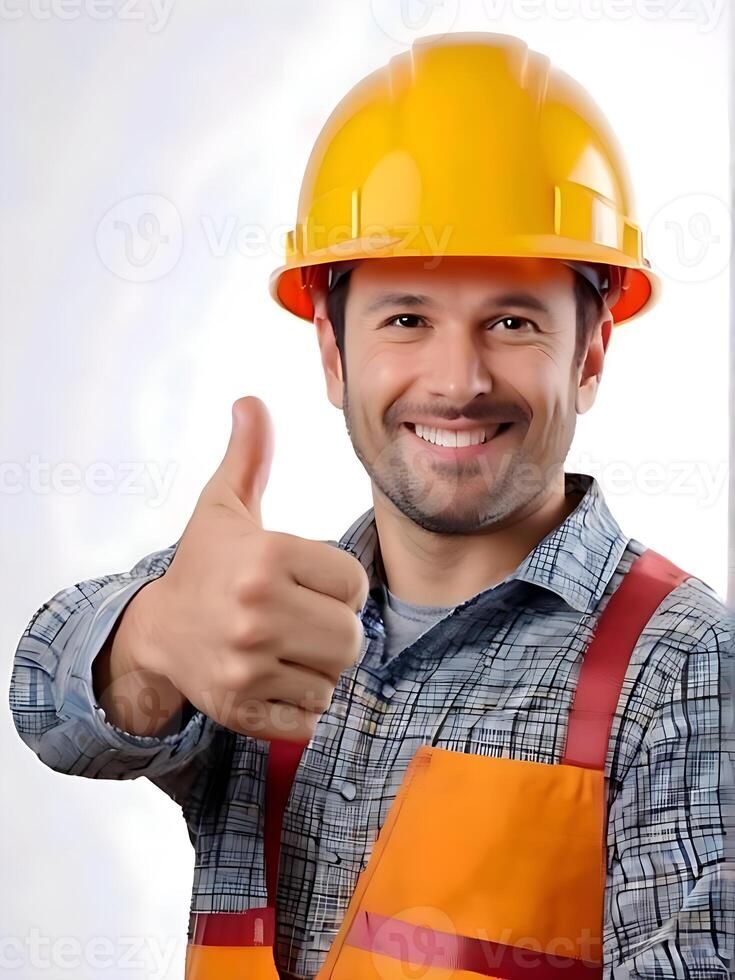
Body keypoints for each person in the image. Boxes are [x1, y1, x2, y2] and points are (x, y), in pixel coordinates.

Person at [10, 31, 734, 980]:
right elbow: (43, 707)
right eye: (406, 319)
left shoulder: (680, 668)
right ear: (331, 350)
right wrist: (149, 643)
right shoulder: (258, 612)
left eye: (512, 321)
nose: (458, 379)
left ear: (589, 353)